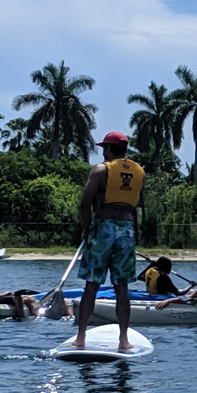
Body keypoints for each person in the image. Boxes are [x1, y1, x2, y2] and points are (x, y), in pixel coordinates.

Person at [75, 131, 145, 350]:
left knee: (92, 285)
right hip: (126, 230)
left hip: (103, 227)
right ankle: (123, 340)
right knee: (121, 287)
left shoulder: (100, 170)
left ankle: (81, 338)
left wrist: (86, 230)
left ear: (107, 149)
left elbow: (84, 204)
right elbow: (135, 206)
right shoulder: (139, 172)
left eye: (104, 148)